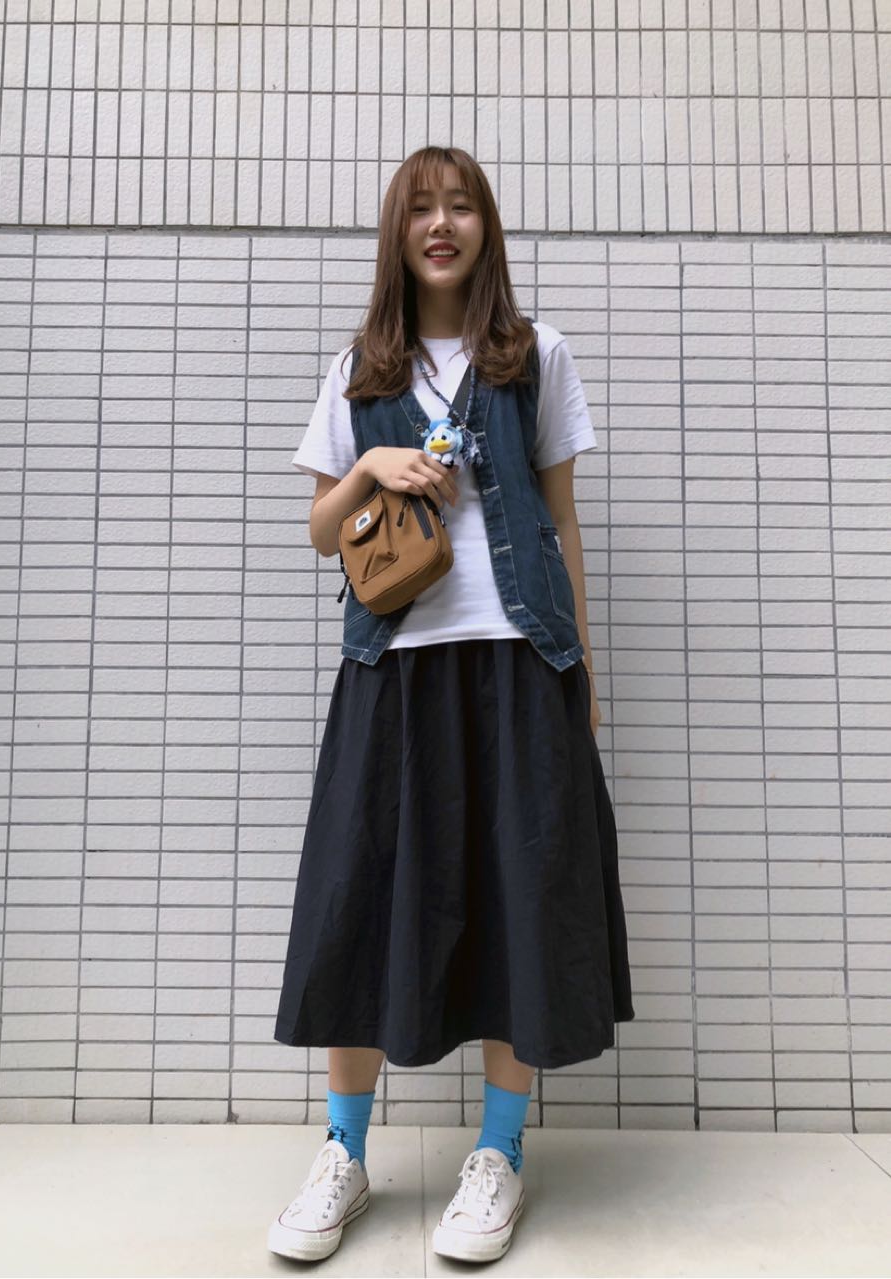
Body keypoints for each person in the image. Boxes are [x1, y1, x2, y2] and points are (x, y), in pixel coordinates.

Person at [267, 145, 634, 1266]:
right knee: (361, 893)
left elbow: (561, 520)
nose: (441, 223)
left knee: (518, 894)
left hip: (521, 663)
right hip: (394, 667)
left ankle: (499, 1154)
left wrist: (583, 672)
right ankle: (344, 1151)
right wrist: (371, 472)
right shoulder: (359, 371)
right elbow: (319, 528)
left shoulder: (536, 355)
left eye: (461, 205)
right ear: (398, 233)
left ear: (486, 228)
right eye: (421, 208)